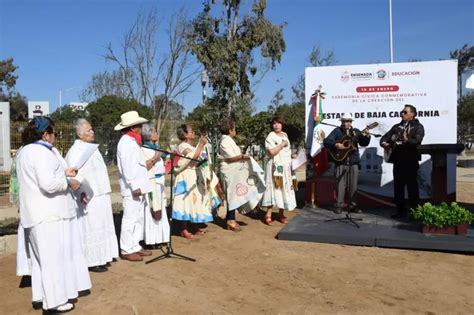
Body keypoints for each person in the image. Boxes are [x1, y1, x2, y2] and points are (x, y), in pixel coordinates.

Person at [16, 116, 91, 313]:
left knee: (41, 261)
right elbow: (48, 185)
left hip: (38, 214)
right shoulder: (40, 153)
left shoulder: (26, 151)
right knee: (52, 260)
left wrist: (64, 173)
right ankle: (55, 302)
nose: (55, 136)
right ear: (44, 134)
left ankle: (41, 296)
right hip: (48, 214)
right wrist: (68, 182)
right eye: (53, 132)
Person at [66, 119, 119, 272]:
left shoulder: (91, 148)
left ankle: (103, 256)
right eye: (88, 130)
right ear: (80, 134)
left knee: (102, 223)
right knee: (91, 225)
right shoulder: (76, 151)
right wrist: (80, 191)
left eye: (92, 129)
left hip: (100, 192)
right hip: (88, 194)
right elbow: (74, 174)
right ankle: (91, 260)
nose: (92, 132)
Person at [115, 111, 153, 262]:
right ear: (133, 127)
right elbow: (127, 167)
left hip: (139, 184)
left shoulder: (133, 141)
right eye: (138, 124)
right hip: (132, 187)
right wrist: (134, 185)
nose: (141, 126)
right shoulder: (126, 142)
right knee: (130, 217)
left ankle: (135, 244)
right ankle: (126, 248)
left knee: (138, 216)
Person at [172, 124, 219, 238]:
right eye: (191, 131)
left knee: (195, 202)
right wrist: (201, 144)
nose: (193, 133)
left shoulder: (191, 146)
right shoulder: (183, 146)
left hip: (194, 175)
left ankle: (194, 225)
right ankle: (183, 228)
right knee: (186, 202)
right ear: (185, 134)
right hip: (186, 175)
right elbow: (194, 157)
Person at [217, 119, 265, 231]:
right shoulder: (225, 141)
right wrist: (244, 157)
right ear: (230, 130)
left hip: (233, 171)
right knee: (231, 194)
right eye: (234, 129)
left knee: (233, 194)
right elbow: (230, 158)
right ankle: (230, 220)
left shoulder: (228, 140)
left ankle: (231, 218)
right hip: (229, 171)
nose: (235, 131)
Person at [380, 104, 425, 219]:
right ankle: (400, 212)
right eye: (402, 112)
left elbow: (417, 141)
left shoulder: (418, 127)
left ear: (412, 114)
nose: (402, 114)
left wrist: (407, 140)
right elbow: (384, 138)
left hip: (410, 161)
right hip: (398, 161)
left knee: (412, 188)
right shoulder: (397, 127)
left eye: (405, 112)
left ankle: (415, 214)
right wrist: (385, 144)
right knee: (398, 188)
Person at [323, 113, 371, 214]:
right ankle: (339, 206)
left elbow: (364, 143)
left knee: (353, 186)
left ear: (351, 122)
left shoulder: (356, 132)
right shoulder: (337, 131)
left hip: (353, 162)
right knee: (340, 185)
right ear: (341, 122)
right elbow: (326, 141)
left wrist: (366, 136)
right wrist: (336, 144)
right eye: (344, 121)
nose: (346, 123)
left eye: (348, 121)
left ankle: (353, 206)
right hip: (340, 161)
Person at [261, 116, 297, 225]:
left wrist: (293, 156)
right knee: (273, 188)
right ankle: (268, 214)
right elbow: (271, 152)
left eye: (278, 123)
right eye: (274, 123)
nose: (276, 125)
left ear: (282, 124)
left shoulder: (285, 135)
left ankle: (281, 213)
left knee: (284, 189)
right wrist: (281, 145)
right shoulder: (270, 136)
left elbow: (287, 151)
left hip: (285, 167)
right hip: (275, 167)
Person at [141, 123, 170, 247]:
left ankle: (161, 237)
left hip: (160, 182)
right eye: (154, 132)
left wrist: (166, 160)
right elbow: (144, 166)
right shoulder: (143, 149)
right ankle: (152, 239)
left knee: (160, 208)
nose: (157, 135)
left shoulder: (156, 147)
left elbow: (164, 158)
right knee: (152, 209)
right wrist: (154, 157)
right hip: (151, 182)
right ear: (148, 134)